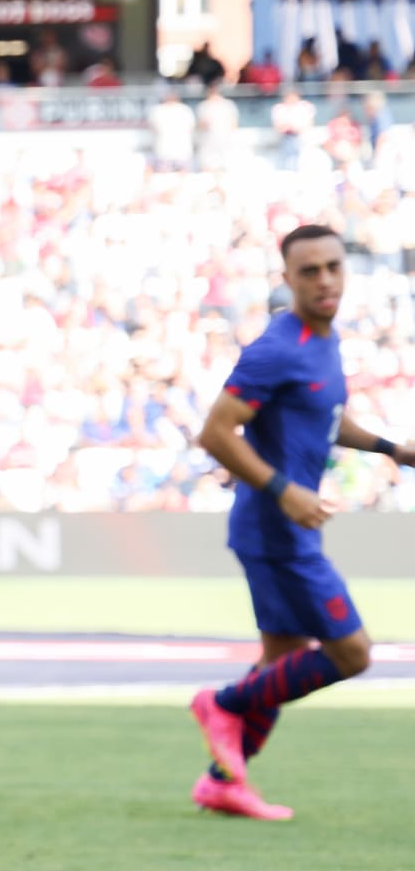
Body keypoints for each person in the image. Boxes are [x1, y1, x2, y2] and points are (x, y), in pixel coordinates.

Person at [189, 224, 411, 819]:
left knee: (282, 662)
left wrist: (392, 448)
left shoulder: (324, 339)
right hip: (276, 534)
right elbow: (214, 432)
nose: (324, 280)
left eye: (333, 267)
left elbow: (325, 417)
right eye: (309, 271)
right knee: (352, 654)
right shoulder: (276, 348)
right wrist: (284, 490)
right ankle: (223, 703)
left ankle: (222, 783)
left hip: (285, 529)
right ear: (286, 279)